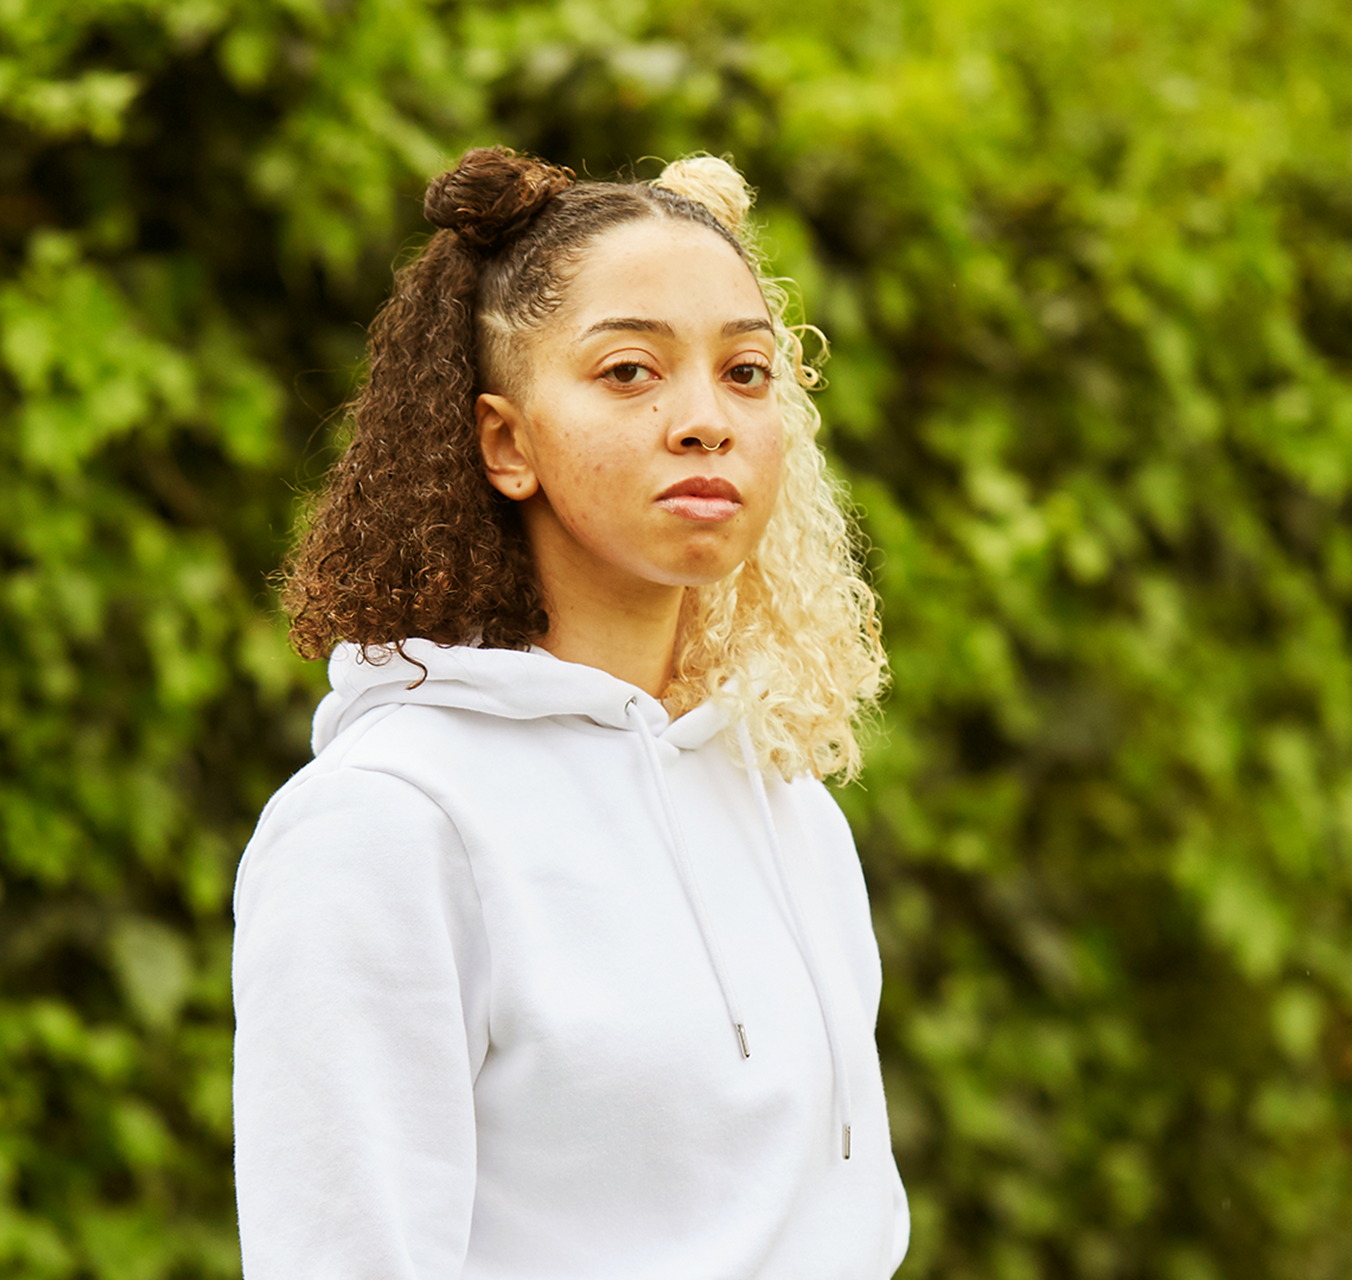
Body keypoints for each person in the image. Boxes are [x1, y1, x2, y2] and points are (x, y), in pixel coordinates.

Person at [230, 146, 907, 1279]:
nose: (705, 419)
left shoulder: (786, 802)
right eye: (631, 371)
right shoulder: (386, 824)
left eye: (746, 372)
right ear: (505, 442)